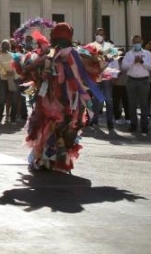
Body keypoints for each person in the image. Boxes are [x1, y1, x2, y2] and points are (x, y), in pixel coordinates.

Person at [24, 22, 102, 173]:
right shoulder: (77, 55)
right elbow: (94, 71)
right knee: (66, 127)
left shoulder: (46, 54)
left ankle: (44, 159)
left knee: (46, 126)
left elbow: (29, 71)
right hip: (69, 103)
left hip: (49, 100)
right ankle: (60, 160)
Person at [121, 34, 151, 133]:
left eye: (138, 42)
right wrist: (133, 62)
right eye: (135, 42)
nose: (137, 44)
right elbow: (123, 66)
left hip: (143, 80)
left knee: (144, 104)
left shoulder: (147, 53)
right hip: (131, 80)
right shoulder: (128, 54)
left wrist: (142, 61)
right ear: (132, 43)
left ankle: (144, 125)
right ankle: (133, 124)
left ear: (142, 42)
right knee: (132, 104)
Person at [0, 40, 18, 125]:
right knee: (13, 100)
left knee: (2, 100)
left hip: (3, 80)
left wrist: (5, 73)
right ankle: (12, 119)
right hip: (12, 79)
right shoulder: (14, 56)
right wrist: (12, 74)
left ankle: (0, 118)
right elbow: (17, 69)